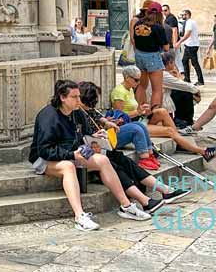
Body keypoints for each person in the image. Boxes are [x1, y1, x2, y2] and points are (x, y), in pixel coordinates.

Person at [27, 80, 150, 232]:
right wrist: (72, 154)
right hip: (46, 158)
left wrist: (94, 139)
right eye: (75, 97)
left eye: (79, 96)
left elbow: (83, 136)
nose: (79, 100)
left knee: (103, 160)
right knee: (68, 166)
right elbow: (44, 150)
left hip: (72, 153)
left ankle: (126, 206)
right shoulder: (48, 116)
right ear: (62, 98)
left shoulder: (78, 113)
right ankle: (79, 216)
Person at [77, 82, 190, 210]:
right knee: (115, 166)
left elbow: (98, 118)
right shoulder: (76, 113)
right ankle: (144, 200)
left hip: (99, 147)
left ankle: (164, 190)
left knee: (125, 161)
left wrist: (107, 124)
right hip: (89, 151)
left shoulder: (86, 111)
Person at [110, 66, 216, 161]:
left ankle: (180, 142)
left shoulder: (129, 89)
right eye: (136, 80)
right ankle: (202, 151)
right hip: (130, 125)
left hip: (138, 120)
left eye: (139, 80)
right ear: (127, 78)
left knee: (161, 112)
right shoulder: (119, 92)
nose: (138, 83)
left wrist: (143, 110)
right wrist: (138, 112)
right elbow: (119, 118)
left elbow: (134, 109)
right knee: (169, 130)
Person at [77, 81, 159, 171]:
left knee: (140, 125)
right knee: (135, 129)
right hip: (100, 141)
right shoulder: (78, 111)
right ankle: (144, 158)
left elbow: (99, 117)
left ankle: (150, 153)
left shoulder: (88, 109)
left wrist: (107, 122)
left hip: (105, 134)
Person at [131, 1, 168, 110]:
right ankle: (155, 113)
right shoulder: (158, 27)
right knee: (157, 89)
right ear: (160, 14)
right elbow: (166, 48)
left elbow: (134, 40)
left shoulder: (138, 23)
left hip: (139, 55)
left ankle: (139, 110)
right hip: (152, 57)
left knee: (142, 85)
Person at [159, 51, 201, 128]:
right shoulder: (164, 75)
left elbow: (180, 83)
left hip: (164, 101)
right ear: (169, 63)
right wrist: (197, 91)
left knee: (184, 92)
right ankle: (184, 121)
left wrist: (177, 76)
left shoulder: (165, 73)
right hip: (162, 103)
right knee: (186, 93)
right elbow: (183, 85)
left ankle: (183, 120)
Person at [175, 9, 203, 85]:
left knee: (195, 63)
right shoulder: (189, 22)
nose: (182, 16)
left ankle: (200, 81)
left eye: (183, 15)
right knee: (184, 61)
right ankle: (187, 79)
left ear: (187, 15)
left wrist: (179, 42)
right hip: (189, 45)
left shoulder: (190, 22)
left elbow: (188, 34)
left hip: (192, 45)